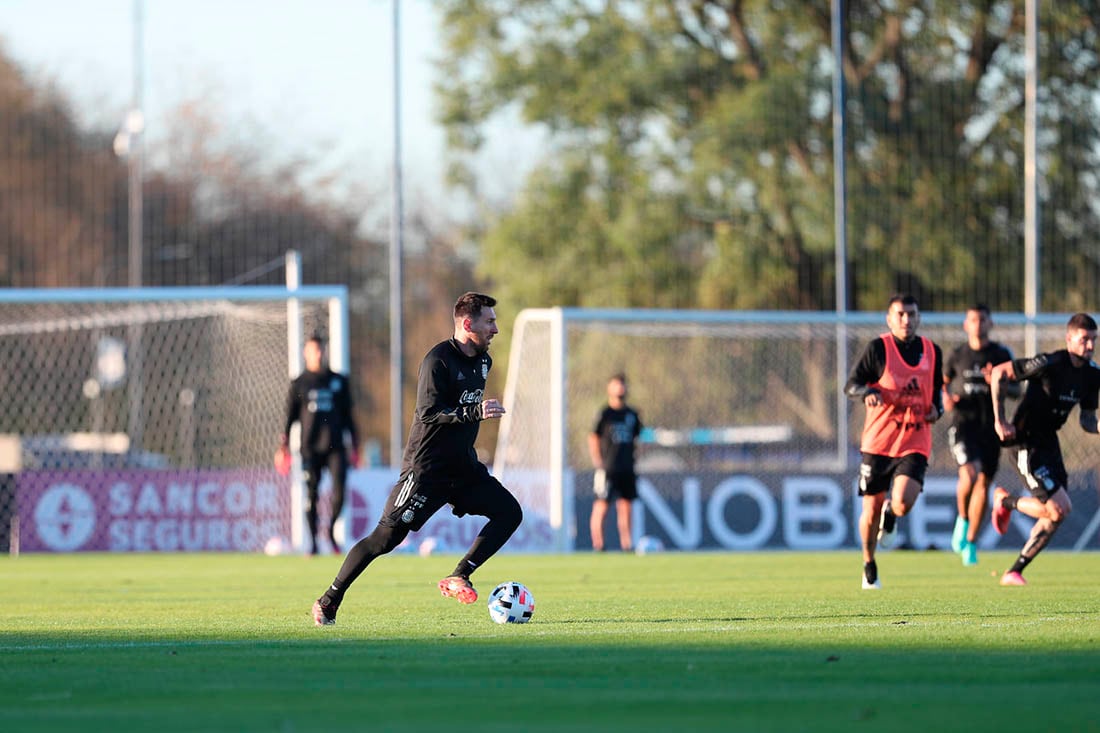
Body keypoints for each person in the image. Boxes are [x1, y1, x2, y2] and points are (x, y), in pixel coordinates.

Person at [310, 292, 522, 626]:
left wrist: (472, 415)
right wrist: (473, 412)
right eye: (490, 322)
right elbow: (428, 412)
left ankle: (459, 576)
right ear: (468, 324)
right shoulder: (438, 361)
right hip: (427, 471)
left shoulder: (484, 361)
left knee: (510, 512)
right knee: (384, 539)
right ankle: (329, 600)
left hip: (464, 469)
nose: (496, 329)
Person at [988, 312, 1100, 586]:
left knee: (1056, 515)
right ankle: (1005, 502)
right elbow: (1000, 373)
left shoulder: (1092, 375)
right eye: (1084, 339)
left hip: (1049, 442)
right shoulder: (1050, 363)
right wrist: (999, 419)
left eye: (1094, 340)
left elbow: (1086, 420)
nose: (1090, 345)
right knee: (1059, 508)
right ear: (1069, 338)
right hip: (1025, 440)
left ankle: (1013, 572)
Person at [845, 294, 944, 589]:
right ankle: (868, 562)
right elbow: (851, 385)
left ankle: (893, 513)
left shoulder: (932, 351)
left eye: (911, 314)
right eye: (900, 314)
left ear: (918, 318)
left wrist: (937, 410)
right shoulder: (878, 349)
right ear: (889, 319)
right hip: (878, 443)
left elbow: (936, 391)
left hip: (915, 440)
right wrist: (867, 393)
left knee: (902, 502)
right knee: (870, 509)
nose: (906, 320)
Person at [942, 305, 1017, 566]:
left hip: (992, 428)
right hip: (964, 425)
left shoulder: (1000, 354)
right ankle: (962, 521)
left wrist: (997, 382)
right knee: (969, 472)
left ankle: (971, 543)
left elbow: (1018, 390)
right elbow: (942, 383)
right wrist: (946, 399)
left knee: (984, 483)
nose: (978, 324)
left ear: (990, 323)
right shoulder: (957, 355)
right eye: (973, 319)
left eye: (982, 319)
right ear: (966, 324)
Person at [276, 334, 360, 556]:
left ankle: (331, 532)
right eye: (314, 350)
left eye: (321, 350)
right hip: (310, 448)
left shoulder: (339, 381)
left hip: (336, 447)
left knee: (340, 493)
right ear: (306, 353)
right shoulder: (299, 383)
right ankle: (312, 542)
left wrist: (356, 446)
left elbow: (348, 417)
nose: (318, 354)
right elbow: (290, 418)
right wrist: (283, 448)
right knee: (311, 494)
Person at [588, 373, 643, 552]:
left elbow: (638, 438)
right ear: (609, 388)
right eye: (616, 385)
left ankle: (627, 545)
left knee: (626, 506)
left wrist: (636, 458)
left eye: (622, 385)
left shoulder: (632, 414)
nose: (620, 388)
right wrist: (598, 462)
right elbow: (593, 437)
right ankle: (599, 545)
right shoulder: (605, 413)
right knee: (602, 506)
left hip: (627, 467)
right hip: (608, 468)